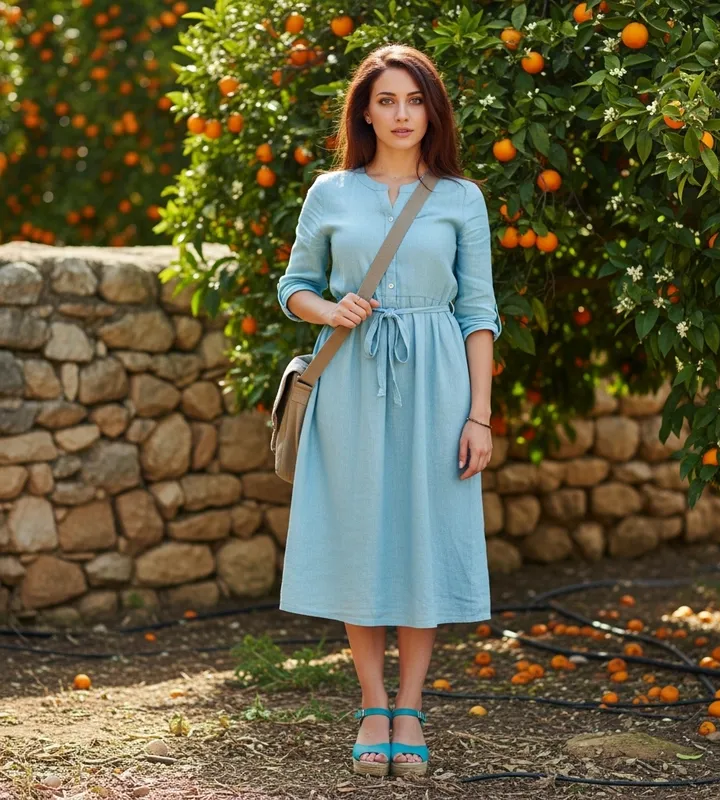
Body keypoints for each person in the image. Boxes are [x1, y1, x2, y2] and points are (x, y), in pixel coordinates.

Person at [275, 43, 502, 779]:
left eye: (415, 100)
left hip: (440, 383)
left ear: (431, 110)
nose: (402, 115)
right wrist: (329, 308)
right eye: (386, 101)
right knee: (361, 533)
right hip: (351, 377)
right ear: (365, 112)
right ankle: (372, 700)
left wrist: (479, 416)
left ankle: (411, 704)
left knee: (424, 537)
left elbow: (478, 312)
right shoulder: (330, 192)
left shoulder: (462, 198)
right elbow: (293, 288)